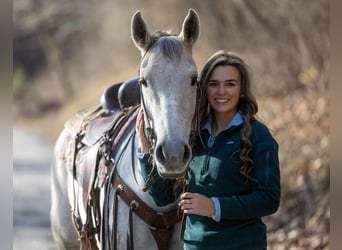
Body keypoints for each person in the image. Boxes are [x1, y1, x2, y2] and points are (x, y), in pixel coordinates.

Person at [136, 49, 281, 250]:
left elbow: (269, 199)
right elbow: (164, 198)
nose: (221, 92)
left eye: (230, 84)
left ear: (242, 89)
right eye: (214, 84)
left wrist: (214, 206)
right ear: (204, 88)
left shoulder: (258, 136)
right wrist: (146, 150)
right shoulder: (193, 138)